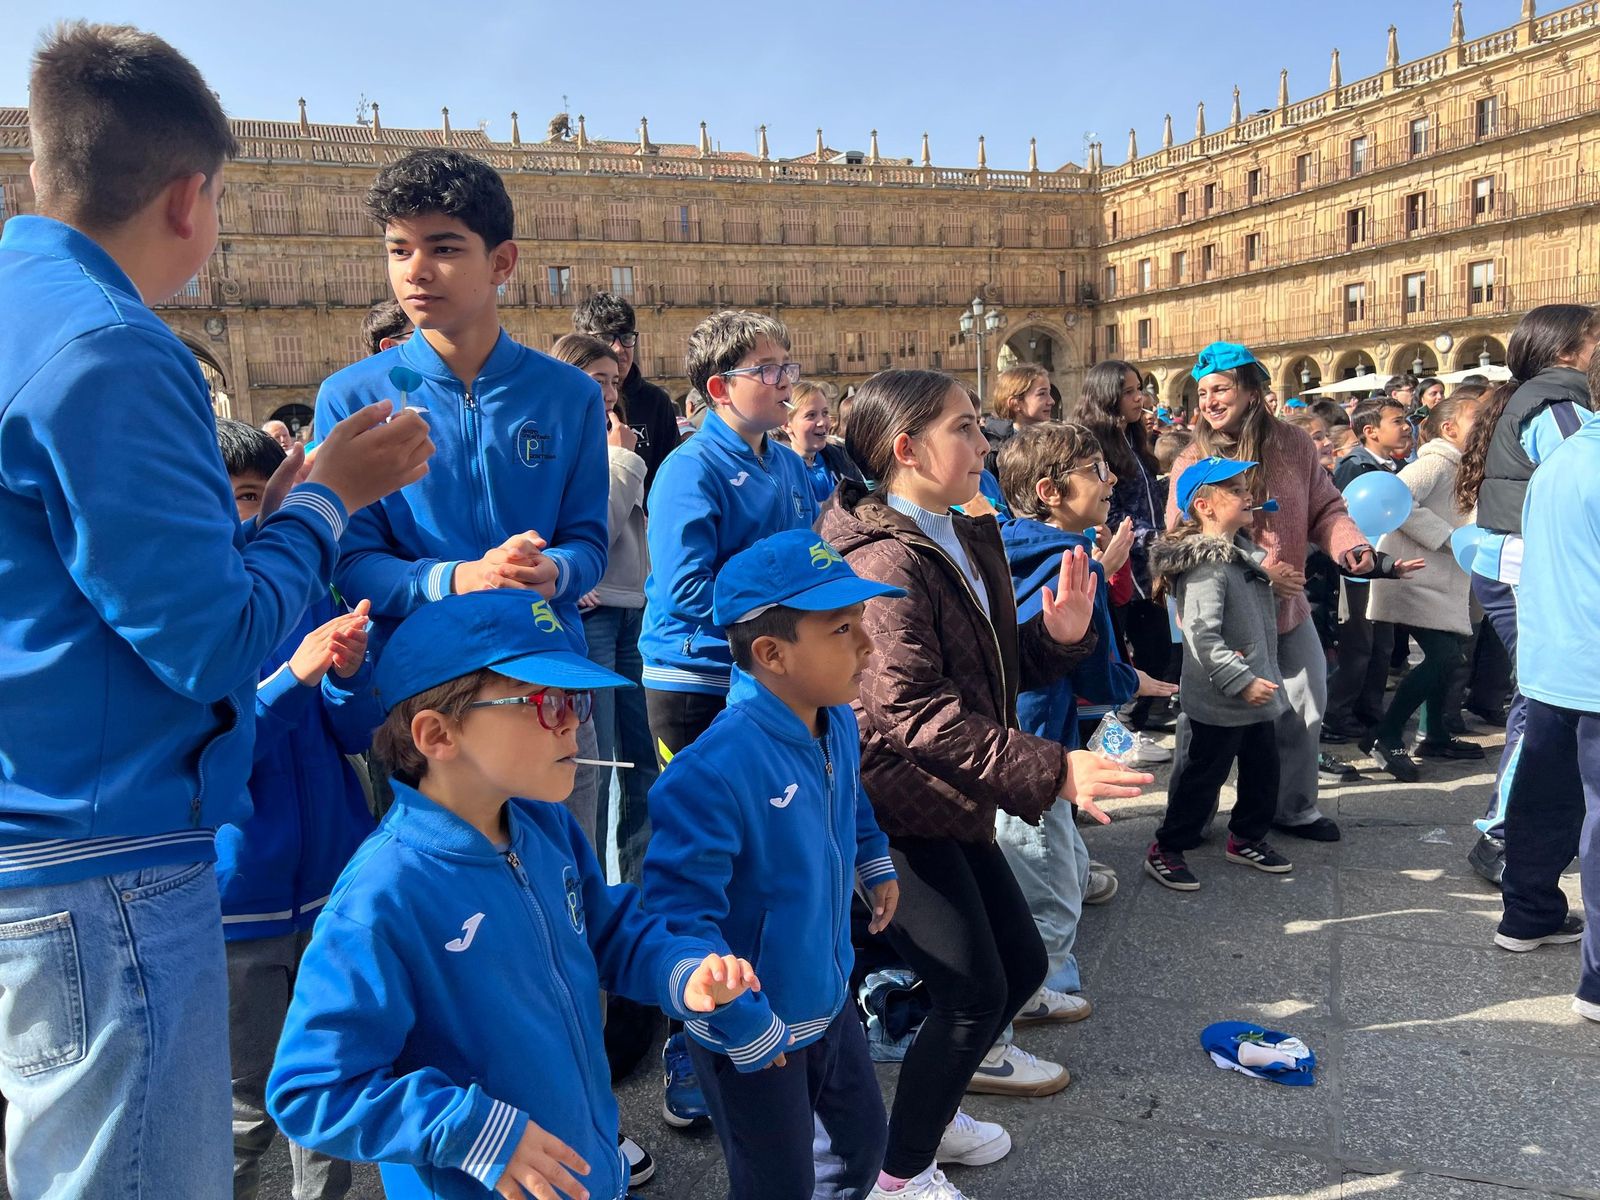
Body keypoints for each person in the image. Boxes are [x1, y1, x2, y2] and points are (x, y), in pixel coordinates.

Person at [0, 24, 431, 1196]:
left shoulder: (19, 311)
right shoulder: (113, 350)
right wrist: (332, 501)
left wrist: (276, 514)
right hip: (110, 856)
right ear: (191, 197)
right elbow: (218, 642)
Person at [266, 591, 759, 1200]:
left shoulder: (543, 824)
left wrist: (681, 971)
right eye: (548, 703)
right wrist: (475, 1131)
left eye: (577, 700)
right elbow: (311, 1089)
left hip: (582, 1171)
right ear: (437, 734)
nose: (576, 721)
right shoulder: (382, 897)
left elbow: (609, 932)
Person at [818, 370, 1151, 1200]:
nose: (983, 443)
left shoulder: (957, 530)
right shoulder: (889, 555)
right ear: (907, 450)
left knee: (1020, 960)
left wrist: (1054, 639)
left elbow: (980, 671)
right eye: (965, 429)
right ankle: (899, 1176)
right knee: (972, 991)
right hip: (895, 803)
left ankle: (931, 1117)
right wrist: (1054, 769)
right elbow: (910, 710)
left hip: (947, 791)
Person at [312, 147, 611, 846]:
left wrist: (554, 571)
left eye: (443, 247)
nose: (415, 270)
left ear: (501, 262)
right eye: (398, 248)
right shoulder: (354, 398)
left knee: (568, 894)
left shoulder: (567, 396)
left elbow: (590, 543)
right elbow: (349, 563)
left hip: (547, 684)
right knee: (442, 908)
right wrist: (456, 579)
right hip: (425, 700)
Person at [642, 530, 903, 1200]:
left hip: (827, 991)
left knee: (859, 1146)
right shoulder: (713, 771)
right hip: (752, 1028)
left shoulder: (835, 719)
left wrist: (873, 860)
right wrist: (740, 1021)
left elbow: (849, 799)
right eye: (843, 629)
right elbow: (676, 916)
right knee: (775, 1182)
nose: (867, 645)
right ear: (770, 654)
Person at [639, 309, 818, 1127]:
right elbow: (684, 596)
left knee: (764, 860)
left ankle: (764, 1013)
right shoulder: (688, 469)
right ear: (719, 388)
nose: (786, 382)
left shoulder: (782, 463)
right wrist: (777, 626)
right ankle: (691, 1040)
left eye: (786, 366)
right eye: (769, 369)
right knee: (705, 868)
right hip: (696, 682)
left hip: (760, 680)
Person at [215, 419, 381, 1200]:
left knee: (326, 1087)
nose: (254, 515)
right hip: (238, 903)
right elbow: (219, 753)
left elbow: (353, 730)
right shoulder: (201, 615)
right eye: (241, 496)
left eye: (260, 495)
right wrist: (293, 680)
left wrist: (347, 673)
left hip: (329, 886)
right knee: (246, 1107)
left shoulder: (311, 589)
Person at [1167, 343, 1399, 845]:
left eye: (1220, 389)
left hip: (1288, 612)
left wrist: (1352, 547)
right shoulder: (1193, 456)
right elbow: (1179, 534)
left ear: (1253, 392)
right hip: (1223, 616)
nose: (1208, 401)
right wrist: (1261, 567)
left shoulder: (1294, 444)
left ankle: (1291, 808)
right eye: (1202, 392)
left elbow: (1327, 508)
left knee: (1305, 704)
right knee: (1205, 724)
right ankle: (1190, 816)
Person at [996, 423, 1176, 1005]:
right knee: (1046, 880)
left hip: (1000, 738)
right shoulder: (1078, 563)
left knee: (1049, 853)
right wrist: (1137, 681)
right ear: (1051, 490)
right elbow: (1098, 674)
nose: (1113, 479)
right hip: (1043, 739)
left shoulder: (1000, 544)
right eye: (1096, 470)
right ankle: (1034, 993)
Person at [1455, 304, 1600, 885]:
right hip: (1526, 565)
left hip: (1513, 560)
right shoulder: (1560, 404)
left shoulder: (1537, 395)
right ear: (1569, 349)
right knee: (1540, 703)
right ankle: (1502, 832)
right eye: (1595, 340)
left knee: (1540, 702)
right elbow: (1577, 478)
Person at [1500, 351, 1600, 1019]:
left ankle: (1527, 913)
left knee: (1546, 793)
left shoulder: (1563, 457)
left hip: (1552, 659)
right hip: (1590, 662)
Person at [1146, 457, 1292, 889]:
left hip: (1254, 691)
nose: (1248, 495)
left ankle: (1246, 836)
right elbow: (1202, 636)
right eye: (1235, 490)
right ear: (1205, 506)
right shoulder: (1207, 566)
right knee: (1203, 778)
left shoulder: (1240, 554)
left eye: (1246, 486)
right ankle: (1168, 847)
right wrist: (1242, 681)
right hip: (1223, 697)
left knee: (1263, 769)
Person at [549, 334, 657, 887]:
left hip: (627, 607)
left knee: (640, 758)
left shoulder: (612, 442)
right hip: (593, 616)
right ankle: (590, 888)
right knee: (596, 761)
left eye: (615, 381)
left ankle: (637, 890)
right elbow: (598, 528)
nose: (611, 393)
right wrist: (622, 461)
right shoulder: (566, 446)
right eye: (598, 381)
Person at [1364, 395, 1484, 777]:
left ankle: (1433, 734)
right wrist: (1448, 537)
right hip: (1413, 575)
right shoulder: (1434, 462)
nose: (1485, 427)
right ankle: (1386, 734)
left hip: (1439, 578)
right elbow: (1396, 500)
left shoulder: (1463, 464)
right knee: (1445, 656)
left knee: (1450, 653)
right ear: (1450, 428)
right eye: (1476, 421)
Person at [1079, 360, 1177, 747]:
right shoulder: (1094, 445)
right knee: (1120, 653)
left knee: (1157, 648)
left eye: (1141, 389)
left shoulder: (1135, 440)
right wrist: (1153, 538)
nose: (1141, 398)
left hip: (1149, 567)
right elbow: (1109, 511)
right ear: (1108, 396)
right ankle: (1116, 733)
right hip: (1119, 567)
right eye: (1131, 391)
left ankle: (1132, 725)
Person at [1323, 397, 1413, 744]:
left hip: (1384, 566)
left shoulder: (1390, 466)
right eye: (1397, 420)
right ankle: (1338, 713)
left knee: (1382, 644)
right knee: (1358, 645)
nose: (1406, 426)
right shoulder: (1355, 466)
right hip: (1358, 569)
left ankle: (1370, 711)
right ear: (1370, 431)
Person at [573, 291, 683, 496]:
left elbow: (670, 476)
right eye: (606, 337)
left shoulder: (656, 402)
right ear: (581, 342)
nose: (618, 348)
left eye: (626, 337)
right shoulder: (565, 405)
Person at [781, 379, 866, 503]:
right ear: (787, 425)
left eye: (825, 413)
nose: (822, 422)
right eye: (811, 415)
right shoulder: (778, 470)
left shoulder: (843, 459)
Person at [980, 364, 1053, 473]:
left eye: (1049, 393)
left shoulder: (1055, 440)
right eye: (1042, 394)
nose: (1051, 401)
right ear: (1015, 404)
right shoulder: (994, 451)